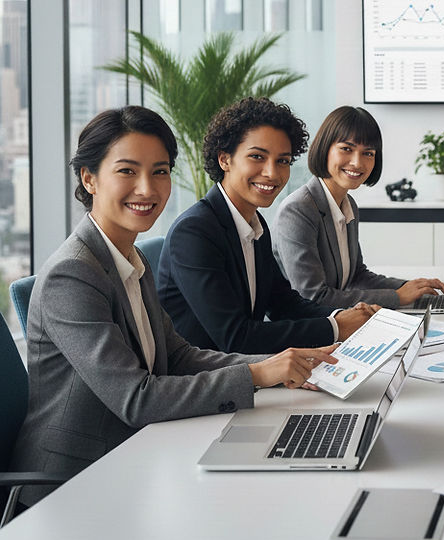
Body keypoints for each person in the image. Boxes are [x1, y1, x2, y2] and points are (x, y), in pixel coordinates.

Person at [10, 106, 337, 507]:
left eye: (160, 171)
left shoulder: (129, 257)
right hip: (72, 483)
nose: (147, 188)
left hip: (138, 452)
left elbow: (178, 354)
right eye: (127, 171)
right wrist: (255, 374)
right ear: (89, 178)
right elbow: (136, 398)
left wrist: (282, 365)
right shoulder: (73, 275)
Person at [157, 98, 377, 354]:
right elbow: (236, 337)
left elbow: (284, 304)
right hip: (206, 381)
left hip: (247, 370)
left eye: (282, 161)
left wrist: (348, 316)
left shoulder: (254, 224)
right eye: (257, 157)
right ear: (224, 159)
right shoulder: (195, 232)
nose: (272, 173)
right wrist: (336, 327)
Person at [272, 105, 444, 309]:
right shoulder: (298, 210)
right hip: (308, 331)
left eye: (368, 153)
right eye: (346, 149)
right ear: (325, 148)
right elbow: (313, 297)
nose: (357, 162)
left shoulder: (347, 205)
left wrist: (410, 287)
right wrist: (397, 297)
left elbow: (356, 276)